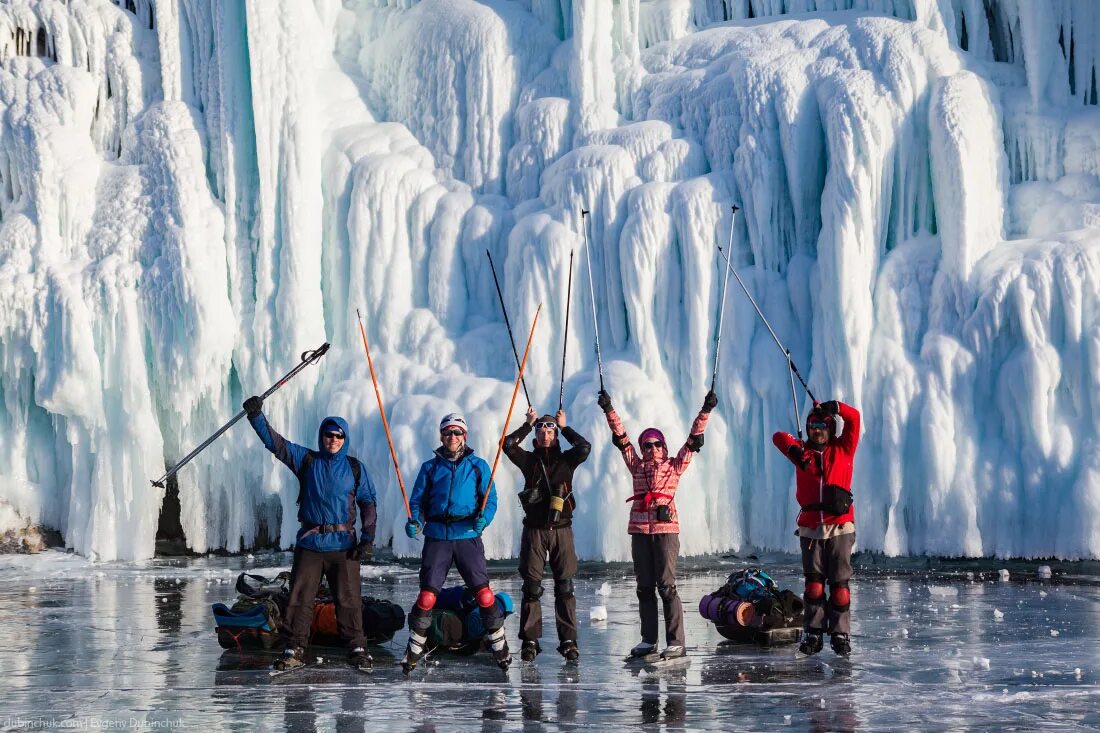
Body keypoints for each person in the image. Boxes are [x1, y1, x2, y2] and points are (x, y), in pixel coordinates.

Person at [243, 395, 377, 671]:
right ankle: (294, 648)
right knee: (300, 600)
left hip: (343, 545)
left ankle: (357, 648)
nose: (333, 440)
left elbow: (368, 503)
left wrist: (367, 538)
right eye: (328, 435)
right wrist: (257, 417)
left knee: (349, 600)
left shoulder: (354, 468)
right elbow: (276, 444)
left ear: (345, 438)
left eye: (339, 436)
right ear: (322, 437)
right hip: (311, 544)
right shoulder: (306, 460)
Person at [597, 388, 717, 661]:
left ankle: (676, 642)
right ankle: (648, 640)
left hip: (665, 530)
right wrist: (608, 409)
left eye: (656, 444)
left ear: (664, 446)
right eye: (647, 444)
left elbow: (693, 439)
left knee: (666, 585)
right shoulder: (636, 466)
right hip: (640, 530)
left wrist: (706, 410)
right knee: (644, 586)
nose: (652, 449)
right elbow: (620, 437)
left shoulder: (674, 466)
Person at [401, 413, 511, 673]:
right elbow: (417, 501)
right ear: (441, 436)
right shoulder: (429, 468)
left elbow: (490, 499)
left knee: (484, 594)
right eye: (448, 432)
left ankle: (499, 646)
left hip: (467, 535)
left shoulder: (478, 465)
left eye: (457, 432)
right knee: (427, 597)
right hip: (437, 536)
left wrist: (486, 518)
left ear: (465, 436)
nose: (453, 437)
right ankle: (414, 649)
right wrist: (416, 520)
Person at [772, 399, 861, 656]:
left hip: (840, 527)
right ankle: (813, 632)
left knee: (840, 585)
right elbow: (779, 437)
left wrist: (837, 407)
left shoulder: (844, 448)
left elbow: (854, 419)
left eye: (822, 425)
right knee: (814, 585)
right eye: (812, 425)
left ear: (831, 428)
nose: (816, 430)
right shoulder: (803, 453)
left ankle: (840, 633)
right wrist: (796, 451)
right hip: (811, 527)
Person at [503, 406, 591, 662]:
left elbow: (584, 447)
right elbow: (508, 445)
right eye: (541, 429)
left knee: (565, 586)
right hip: (534, 530)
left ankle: (568, 640)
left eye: (549, 429)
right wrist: (527, 423)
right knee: (531, 587)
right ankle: (530, 641)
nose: (545, 433)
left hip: (562, 529)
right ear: (535, 436)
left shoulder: (567, 459)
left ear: (556, 435)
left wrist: (565, 427)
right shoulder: (529, 460)